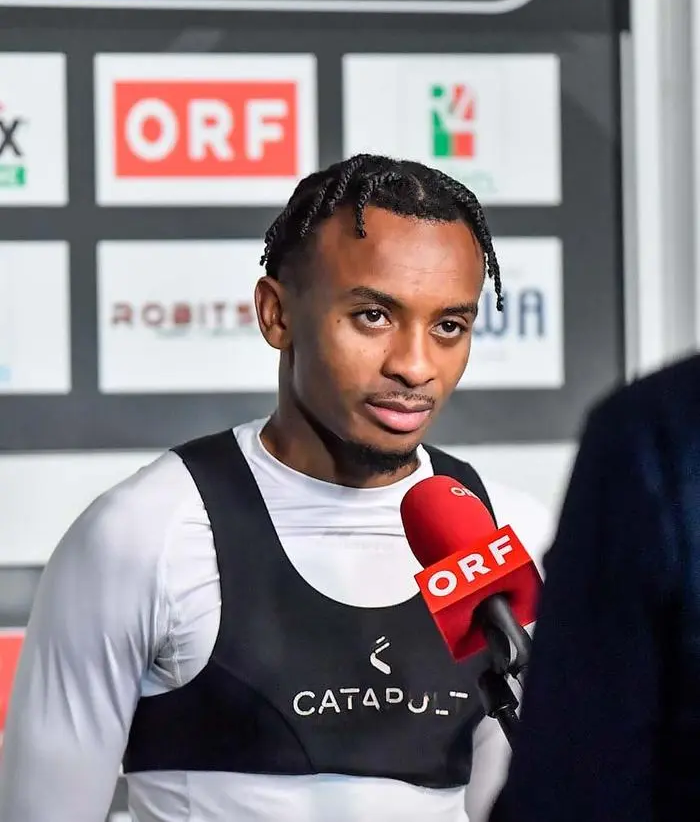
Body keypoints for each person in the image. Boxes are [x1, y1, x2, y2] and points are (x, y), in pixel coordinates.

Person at [0, 153, 549, 822]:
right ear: (275, 314)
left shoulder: (506, 537)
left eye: (448, 327)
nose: (414, 364)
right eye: (373, 315)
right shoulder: (145, 535)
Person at [489, 352, 700, 822]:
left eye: (449, 327)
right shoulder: (658, 436)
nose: (413, 364)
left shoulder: (654, 435)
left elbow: (572, 785)